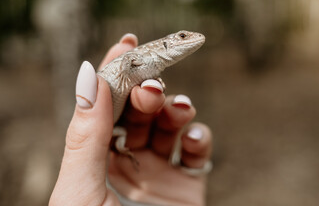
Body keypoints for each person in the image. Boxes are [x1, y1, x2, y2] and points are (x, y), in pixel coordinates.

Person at [49, 33, 213, 206]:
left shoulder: (154, 66)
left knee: (146, 101)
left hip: (116, 127)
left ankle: (123, 155)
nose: (190, 38)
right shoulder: (145, 55)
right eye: (182, 36)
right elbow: (128, 59)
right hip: (109, 108)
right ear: (166, 43)